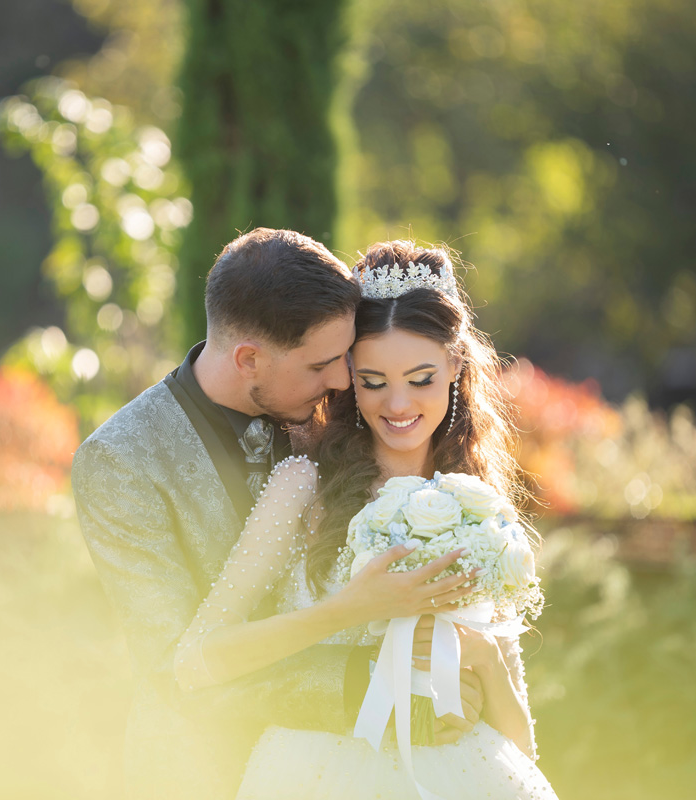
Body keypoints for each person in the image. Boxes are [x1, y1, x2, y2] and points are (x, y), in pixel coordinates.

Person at [72, 229, 484, 800]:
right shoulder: (121, 461)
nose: (341, 381)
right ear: (249, 360)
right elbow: (175, 668)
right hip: (204, 773)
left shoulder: (337, 418)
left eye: (344, 359)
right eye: (322, 365)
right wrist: (367, 689)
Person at [173, 240, 558, 799]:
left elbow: (520, 752)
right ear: (348, 375)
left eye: (420, 378)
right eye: (373, 382)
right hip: (316, 776)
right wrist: (346, 611)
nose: (397, 405)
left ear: (455, 365)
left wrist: (486, 663)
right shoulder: (303, 486)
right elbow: (196, 660)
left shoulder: (482, 506)